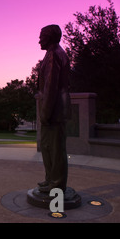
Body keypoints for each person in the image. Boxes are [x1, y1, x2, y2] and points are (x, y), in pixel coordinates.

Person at [37, 24, 71, 193]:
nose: (38, 40)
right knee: (47, 146)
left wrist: (45, 112)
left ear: (49, 37)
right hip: (54, 109)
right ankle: (50, 179)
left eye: (41, 36)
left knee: (56, 150)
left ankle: (57, 185)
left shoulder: (54, 55)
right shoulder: (52, 54)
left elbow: (51, 87)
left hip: (55, 110)